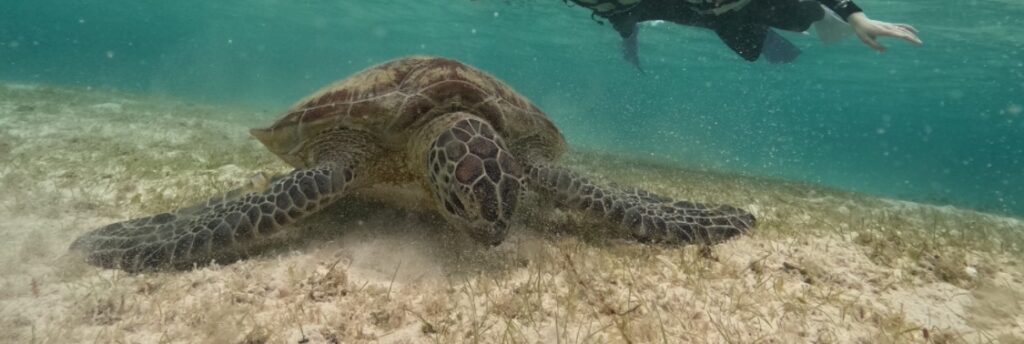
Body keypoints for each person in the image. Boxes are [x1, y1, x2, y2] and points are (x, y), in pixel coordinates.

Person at [564, 0, 922, 68]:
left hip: (756, 5)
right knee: (750, 50)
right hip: (716, 19)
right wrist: (629, 39)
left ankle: (820, 18)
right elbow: (627, 16)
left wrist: (857, 18)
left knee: (807, 14)